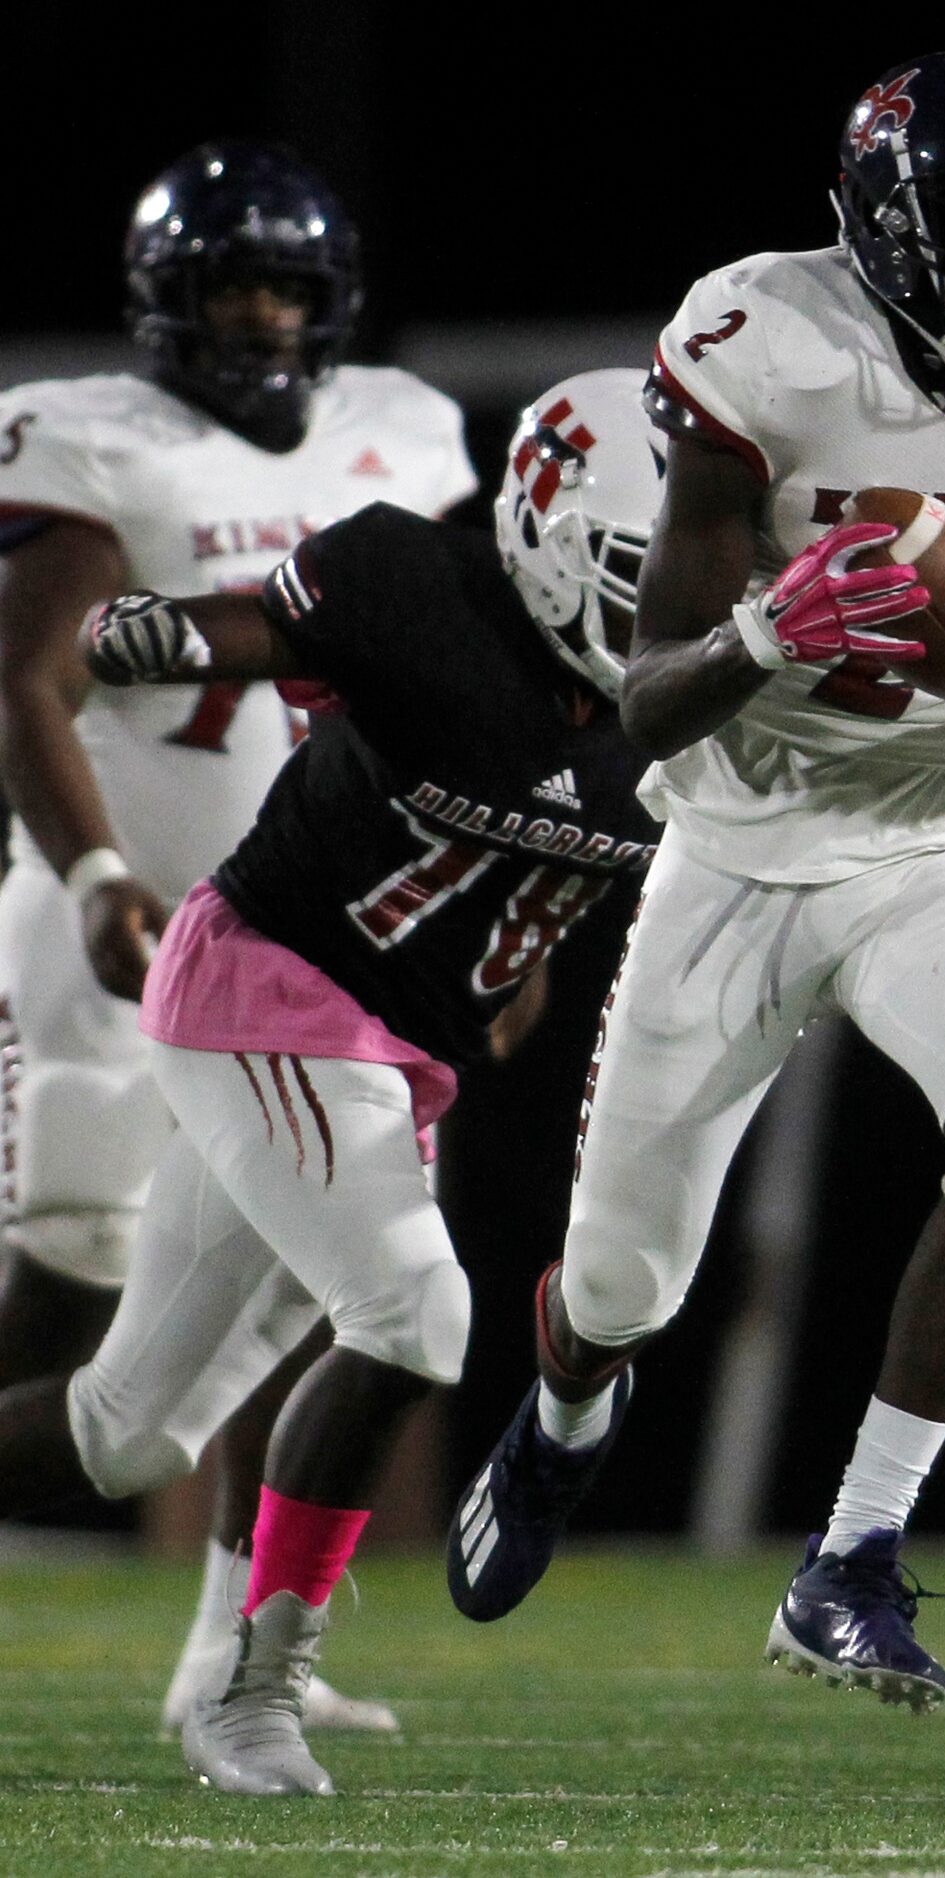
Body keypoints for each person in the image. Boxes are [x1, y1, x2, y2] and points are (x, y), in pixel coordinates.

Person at [444, 51, 945, 1712]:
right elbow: (646, 700)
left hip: (940, 844)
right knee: (626, 1282)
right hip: (737, 847)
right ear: (894, 225)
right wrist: (772, 629)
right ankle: (566, 1407)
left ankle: (850, 1553)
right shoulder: (763, 340)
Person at [0, 366, 664, 1795]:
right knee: (417, 1308)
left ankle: (220, 1669)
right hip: (266, 986)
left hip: (387, 1043)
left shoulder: (708, 706)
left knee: (127, 1429)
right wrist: (140, 636)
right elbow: (244, 630)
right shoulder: (418, 589)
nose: (664, 613)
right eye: (634, 572)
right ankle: (254, 1688)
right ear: (544, 532)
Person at [0, 138, 477, 1736]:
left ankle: (236, 1650)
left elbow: (456, 669)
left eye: (287, 286)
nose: (265, 317)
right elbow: (25, 683)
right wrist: (91, 878)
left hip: (305, 949)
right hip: (121, 927)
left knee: (298, 1279)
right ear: (165, 304)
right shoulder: (98, 446)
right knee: (68, 1297)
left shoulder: (403, 435)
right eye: (232, 287)